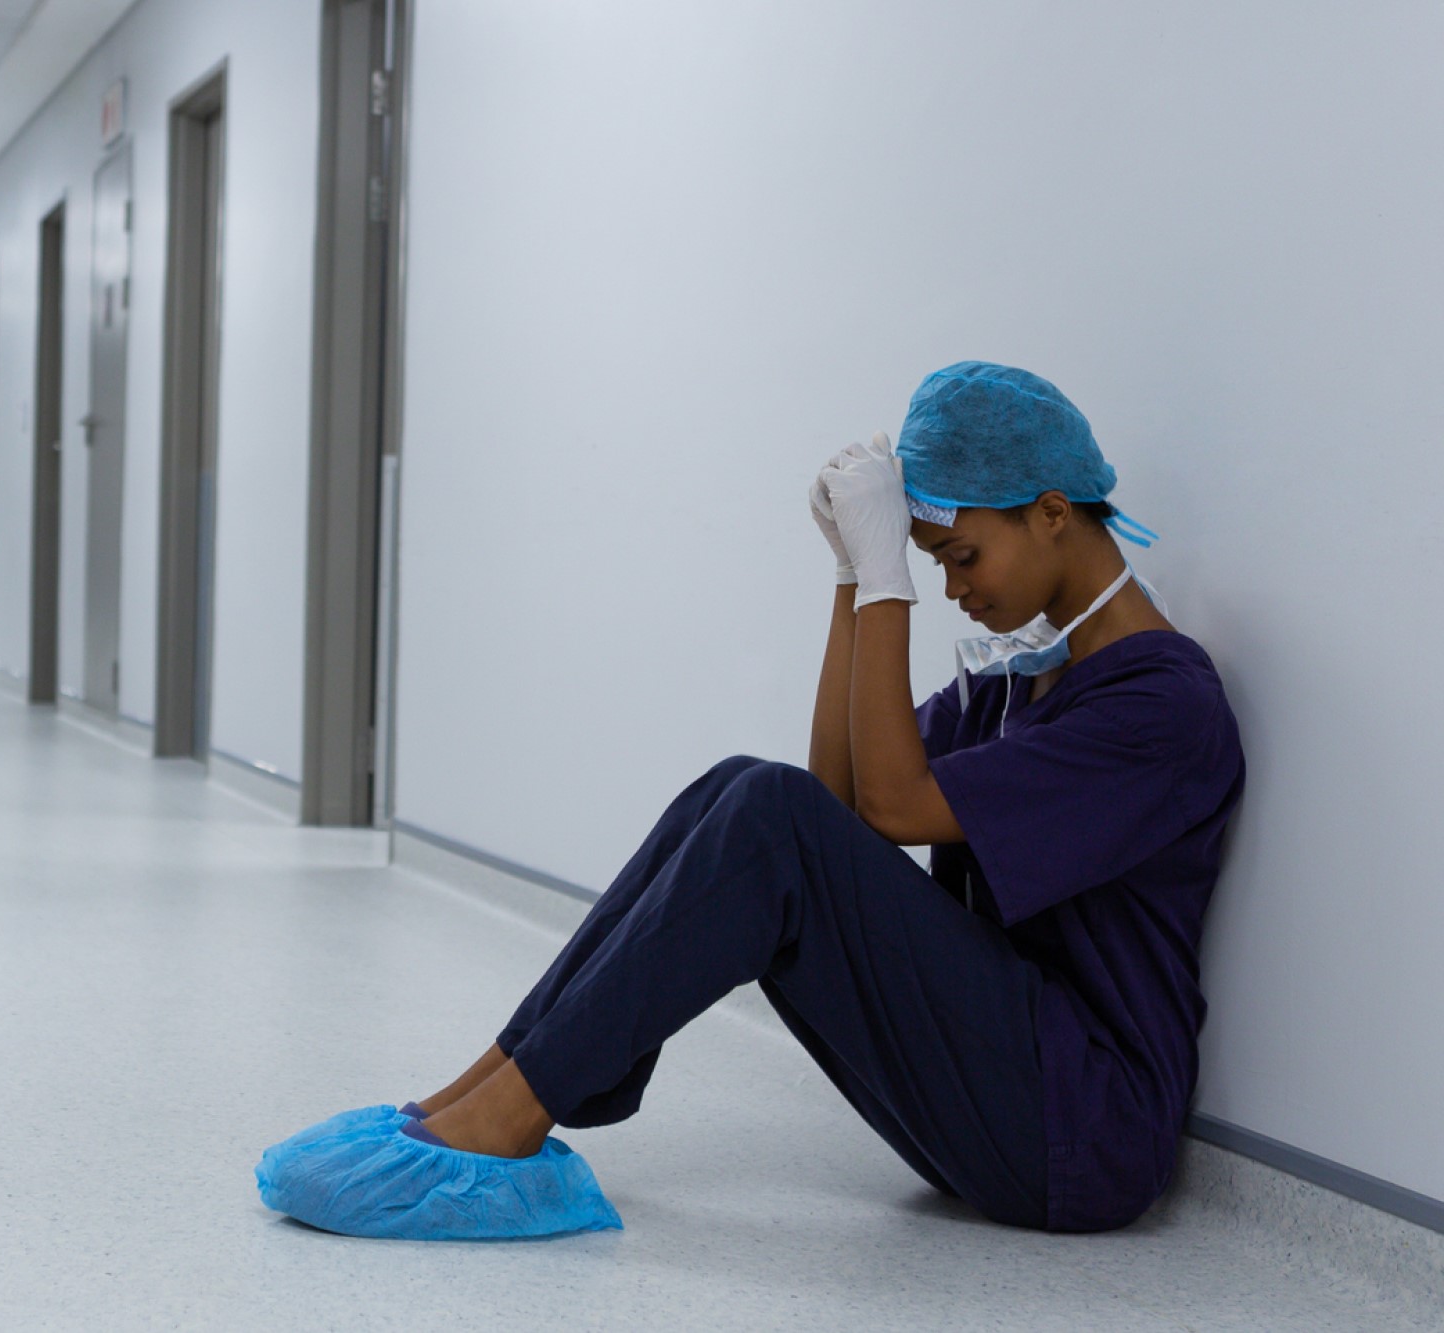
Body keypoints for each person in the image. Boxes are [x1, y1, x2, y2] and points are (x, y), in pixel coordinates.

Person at [257, 361, 1247, 1239]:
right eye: (933, 563)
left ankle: (507, 1121)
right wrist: (848, 575)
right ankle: (481, 1089)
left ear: (1047, 511)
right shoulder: (1017, 677)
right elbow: (838, 799)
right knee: (737, 789)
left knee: (764, 812)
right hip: (1009, 1096)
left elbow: (884, 812)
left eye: (956, 557)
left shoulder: (1159, 705)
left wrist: (886, 584)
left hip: (1083, 1130)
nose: (950, 589)